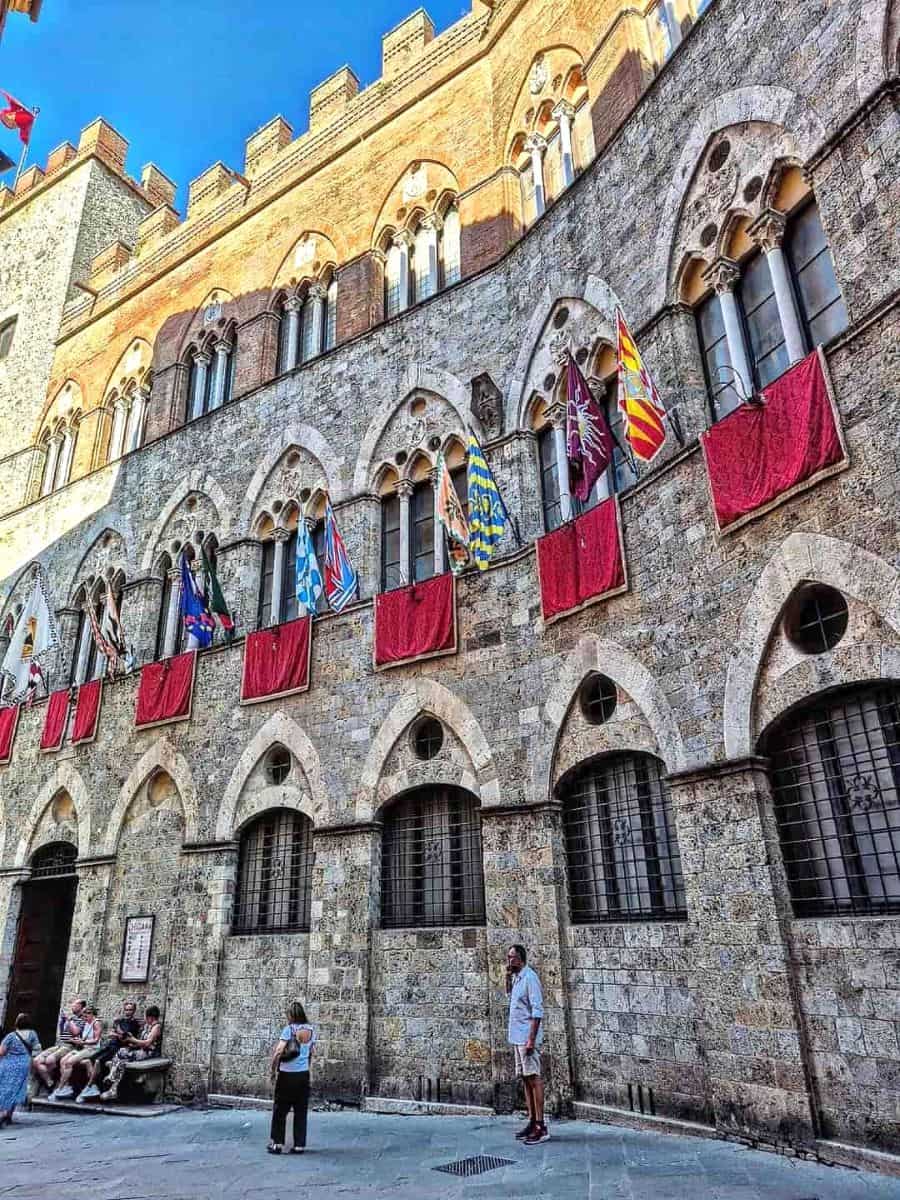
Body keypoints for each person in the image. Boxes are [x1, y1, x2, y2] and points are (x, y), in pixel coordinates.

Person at [506, 944, 549, 1146]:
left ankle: (541, 1125)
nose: (509, 961)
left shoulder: (530, 978)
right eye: (508, 957)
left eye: (512, 957)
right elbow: (512, 1000)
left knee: (534, 1078)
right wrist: (507, 976)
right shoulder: (517, 978)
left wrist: (531, 1039)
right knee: (525, 1078)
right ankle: (532, 1120)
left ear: (520, 959)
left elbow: (537, 1010)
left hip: (526, 1037)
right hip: (517, 1037)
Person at [267, 1001, 316, 1155]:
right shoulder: (311, 1030)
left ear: (291, 1015)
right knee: (301, 1110)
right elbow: (311, 1053)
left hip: (287, 1075)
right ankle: (299, 1145)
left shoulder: (289, 1029)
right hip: (303, 1075)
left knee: (280, 1110)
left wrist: (273, 1069)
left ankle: (277, 1144)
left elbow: (279, 1051)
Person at [76, 1000, 141, 1103]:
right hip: (110, 1045)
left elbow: (125, 1038)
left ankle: (89, 1087)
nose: (128, 1012)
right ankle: (94, 1087)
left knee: (98, 1061)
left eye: (130, 1010)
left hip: (119, 1049)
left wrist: (118, 1033)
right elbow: (112, 1034)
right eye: (126, 1010)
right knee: (89, 1060)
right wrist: (118, 1034)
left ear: (134, 1011)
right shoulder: (120, 1021)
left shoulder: (134, 1024)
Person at [99, 1005, 163, 1102]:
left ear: (151, 1017)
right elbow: (141, 1040)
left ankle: (113, 1086)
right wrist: (131, 1042)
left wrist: (133, 1040)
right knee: (122, 1052)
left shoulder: (156, 1027)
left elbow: (147, 1043)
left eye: (146, 1016)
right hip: (140, 1050)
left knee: (123, 1059)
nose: (145, 1018)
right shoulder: (147, 1025)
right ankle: (112, 1081)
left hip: (149, 1053)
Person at [33, 998, 86, 1093]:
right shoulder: (72, 1018)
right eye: (72, 1004)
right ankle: (50, 1082)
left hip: (69, 1046)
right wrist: (62, 1023)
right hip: (60, 1044)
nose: (72, 1006)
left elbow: (76, 1032)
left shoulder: (83, 1020)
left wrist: (68, 1021)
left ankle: (55, 1081)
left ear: (81, 1007)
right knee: (37, 1061)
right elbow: (62, 1035)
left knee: (49, 1060)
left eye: (75, 1004)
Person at [51, 1004, 103, 1100]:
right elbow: (84, 1038)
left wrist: (83, 1042)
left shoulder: (96, 1023)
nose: (84, 1018)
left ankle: (60, 1088)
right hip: (84, 1048)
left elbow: (96, 1040)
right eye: (83, 1016)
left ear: (91, 1014)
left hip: (93, 1049)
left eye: (86, 1016)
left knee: (69, 1062)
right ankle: (66, 1087)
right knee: (63, 1060)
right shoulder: (87, 1022)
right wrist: (77, 1041)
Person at [0, 1013, 41, 1127]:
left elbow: (1, 1052)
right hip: (24, 1064)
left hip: (8, 1064)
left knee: (5, 1088)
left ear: (16, 1023)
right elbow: (37, 1050)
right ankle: (9, 1114)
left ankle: (2, 1113)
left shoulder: (11, 1036)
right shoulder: (33, 1034)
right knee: (16, 1088)